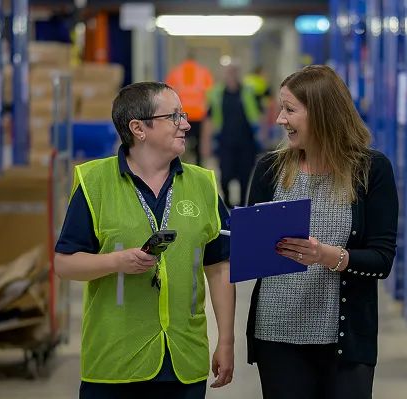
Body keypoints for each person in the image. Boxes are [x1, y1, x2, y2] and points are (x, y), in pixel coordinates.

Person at [53, 82, 235, 399]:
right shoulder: (94, 182)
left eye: (184, 115)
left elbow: (219, 267)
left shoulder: (202, 184)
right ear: (138, 128)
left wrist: (227, 341)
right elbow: (64, 265)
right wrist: (115, 262)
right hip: (114, 362)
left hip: (183, 359)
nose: (186, 124)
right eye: (174, 116)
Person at [244, 65, 399, 399]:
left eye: (290, 110)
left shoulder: (372, 171)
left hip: (344, 339)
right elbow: (252, 254)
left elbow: (382, 259)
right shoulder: (268, 170)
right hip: (277, 333)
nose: (280, 119)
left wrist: (328, 256)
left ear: (323, 114)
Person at [203, 64, 262, 208]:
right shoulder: (217, 94)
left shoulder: (248, 92)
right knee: (225, 175)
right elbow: (209, 120)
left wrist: (263, 137)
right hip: (225, 143)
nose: (231, 76)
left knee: (245, 177)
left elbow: (261, 114)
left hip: (246, 143)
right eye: (228, 73)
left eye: (234, 72)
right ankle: (228, 202)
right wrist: (206, 144)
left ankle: (242, 207)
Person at [166, 52, 215, 166]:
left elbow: (167, 93)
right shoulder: (203, 72)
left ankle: (180, 166)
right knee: (198, 145)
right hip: (199, 114)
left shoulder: (175, 72)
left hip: (181, 115)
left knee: (180, 142)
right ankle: (198, 166)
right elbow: (210, 93)